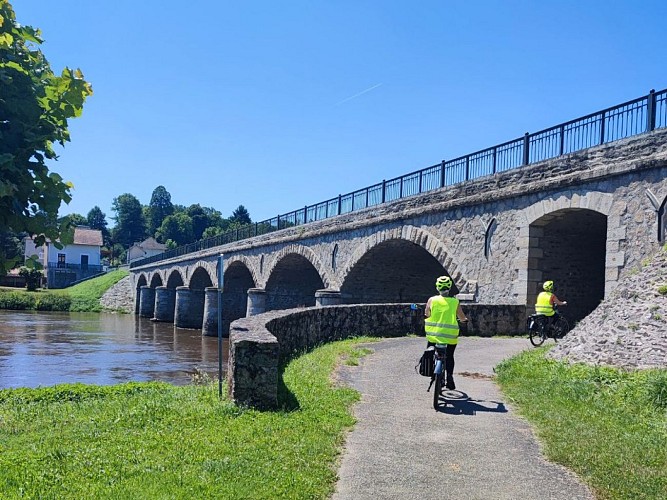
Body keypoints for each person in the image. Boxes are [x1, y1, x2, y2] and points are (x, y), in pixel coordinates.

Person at [424, 275, 468, 390]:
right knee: (449, 356)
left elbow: (427, 314)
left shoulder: (432, 300)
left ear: (437, 288)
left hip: (433, 335)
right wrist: (464, 321)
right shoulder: (454, 302)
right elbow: (461, 317)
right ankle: (449, 377)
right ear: (449, 287)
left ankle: (431, 372)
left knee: (430, 351)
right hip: (450, 336)